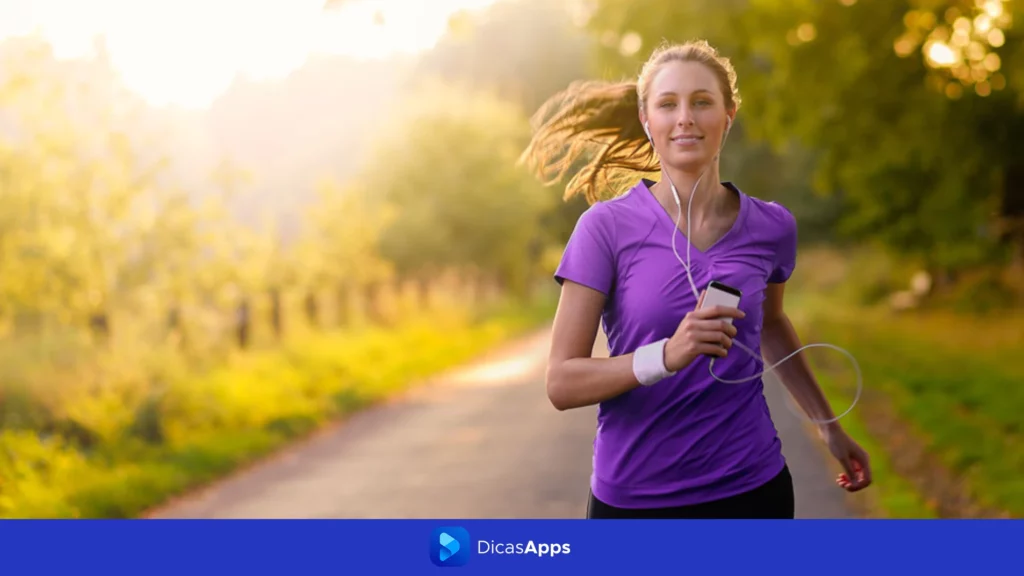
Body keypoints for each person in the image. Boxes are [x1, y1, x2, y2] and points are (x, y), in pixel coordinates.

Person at [519, 39, 872, 519]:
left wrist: (828, 425)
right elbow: (562, 382)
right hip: (636, 501)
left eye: (701, 102)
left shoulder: (772, 227)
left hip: (753, 489)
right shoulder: (604, 228)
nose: (684, 117)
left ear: (728, 114)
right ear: (648, 121)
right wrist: (666, 356)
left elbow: (769, 325)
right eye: (668, 104)